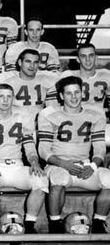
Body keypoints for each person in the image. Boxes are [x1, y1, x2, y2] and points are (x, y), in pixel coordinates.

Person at [39, 75, 110, 234]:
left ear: (82, 93)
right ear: (61, 96)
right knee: (58, 179)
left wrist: (93, 165)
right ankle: (55, 224)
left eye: (77, 92)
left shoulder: (96, 113)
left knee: (108, 179)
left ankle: (99, 222)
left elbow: (99, 148)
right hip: (58, 164)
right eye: (69, 93)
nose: (74, 97)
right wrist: (63, 164)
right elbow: (43, 149)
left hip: (84, 165)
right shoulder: (48, 114)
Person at [0, 83, 46, 234]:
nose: (5, 100)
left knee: (41, 180)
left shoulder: (23, 118)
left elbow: (29, 147)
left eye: (9, 96)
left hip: (17, 166)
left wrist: (34, 162)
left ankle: (30, 223)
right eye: (1, 96)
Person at [46, 44, 110, 117]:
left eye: (91, 55)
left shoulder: (106, 75)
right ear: (78, 59)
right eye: (83, 56)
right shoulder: (68, 75)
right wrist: (57, 117)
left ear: (96, 58)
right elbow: (51, 99)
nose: (87, 59)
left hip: (97, 119)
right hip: (73, 119)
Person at [0, 49, 57, 118]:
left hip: (38, 122)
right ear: (20, 62)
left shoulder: (46, 80)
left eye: (35, 62)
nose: (32, 66)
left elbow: (52, 109)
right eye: (28, 62)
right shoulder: (6, 80)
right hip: (15, 122)